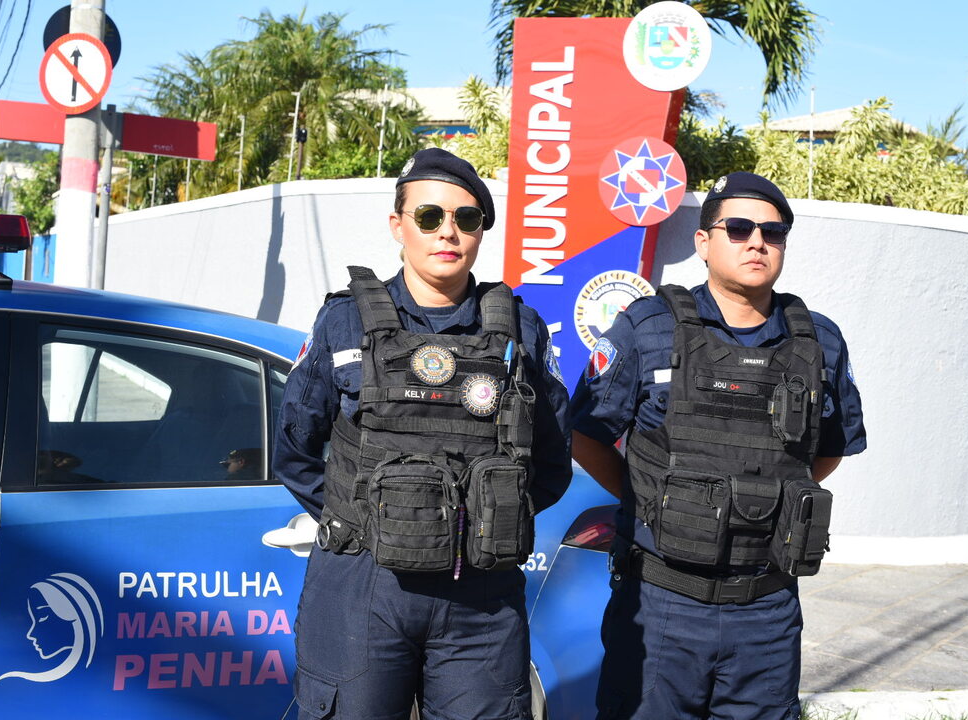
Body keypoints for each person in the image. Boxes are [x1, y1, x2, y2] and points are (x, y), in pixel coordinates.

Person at [273, 148, 573, 720]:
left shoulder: (520, 330)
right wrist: (370, 519)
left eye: (467, 219)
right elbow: (296, 449)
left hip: (479, 598)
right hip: (364, 585)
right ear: (398, 226)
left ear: (482, 231)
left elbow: (553, 461)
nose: (449, 232)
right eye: (430, 217)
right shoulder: (344, 322)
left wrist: (487, 518)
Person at [570, 172, 866, 720]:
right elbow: (584, 433)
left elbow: (830, 448)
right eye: (739, 228)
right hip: (662, 604)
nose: (757, 241)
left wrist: (769, 494)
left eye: (773, 232)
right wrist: (648, 497)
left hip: (769, 608)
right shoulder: (649, 326)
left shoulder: (818, 340)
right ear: (704, 243)